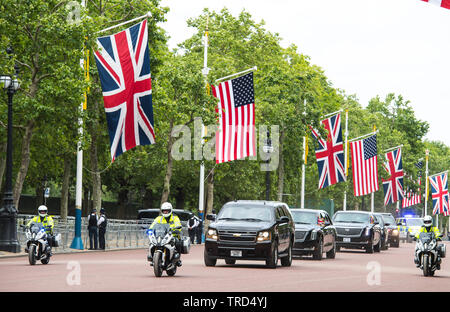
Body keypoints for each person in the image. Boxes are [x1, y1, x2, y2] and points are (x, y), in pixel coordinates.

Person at [149, 202, 182, 266]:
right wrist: (150, 230)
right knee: (152, 243)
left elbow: (178, 225)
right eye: (164, 211)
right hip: (161, 235)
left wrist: (176, 229)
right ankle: (152, 257)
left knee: (178, 242)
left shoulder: (175, 217)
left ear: (170, 210)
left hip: (172, 235)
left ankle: (178, 259)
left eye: (167, 211)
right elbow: (153, 225)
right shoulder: (159, 218)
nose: (165, 212)